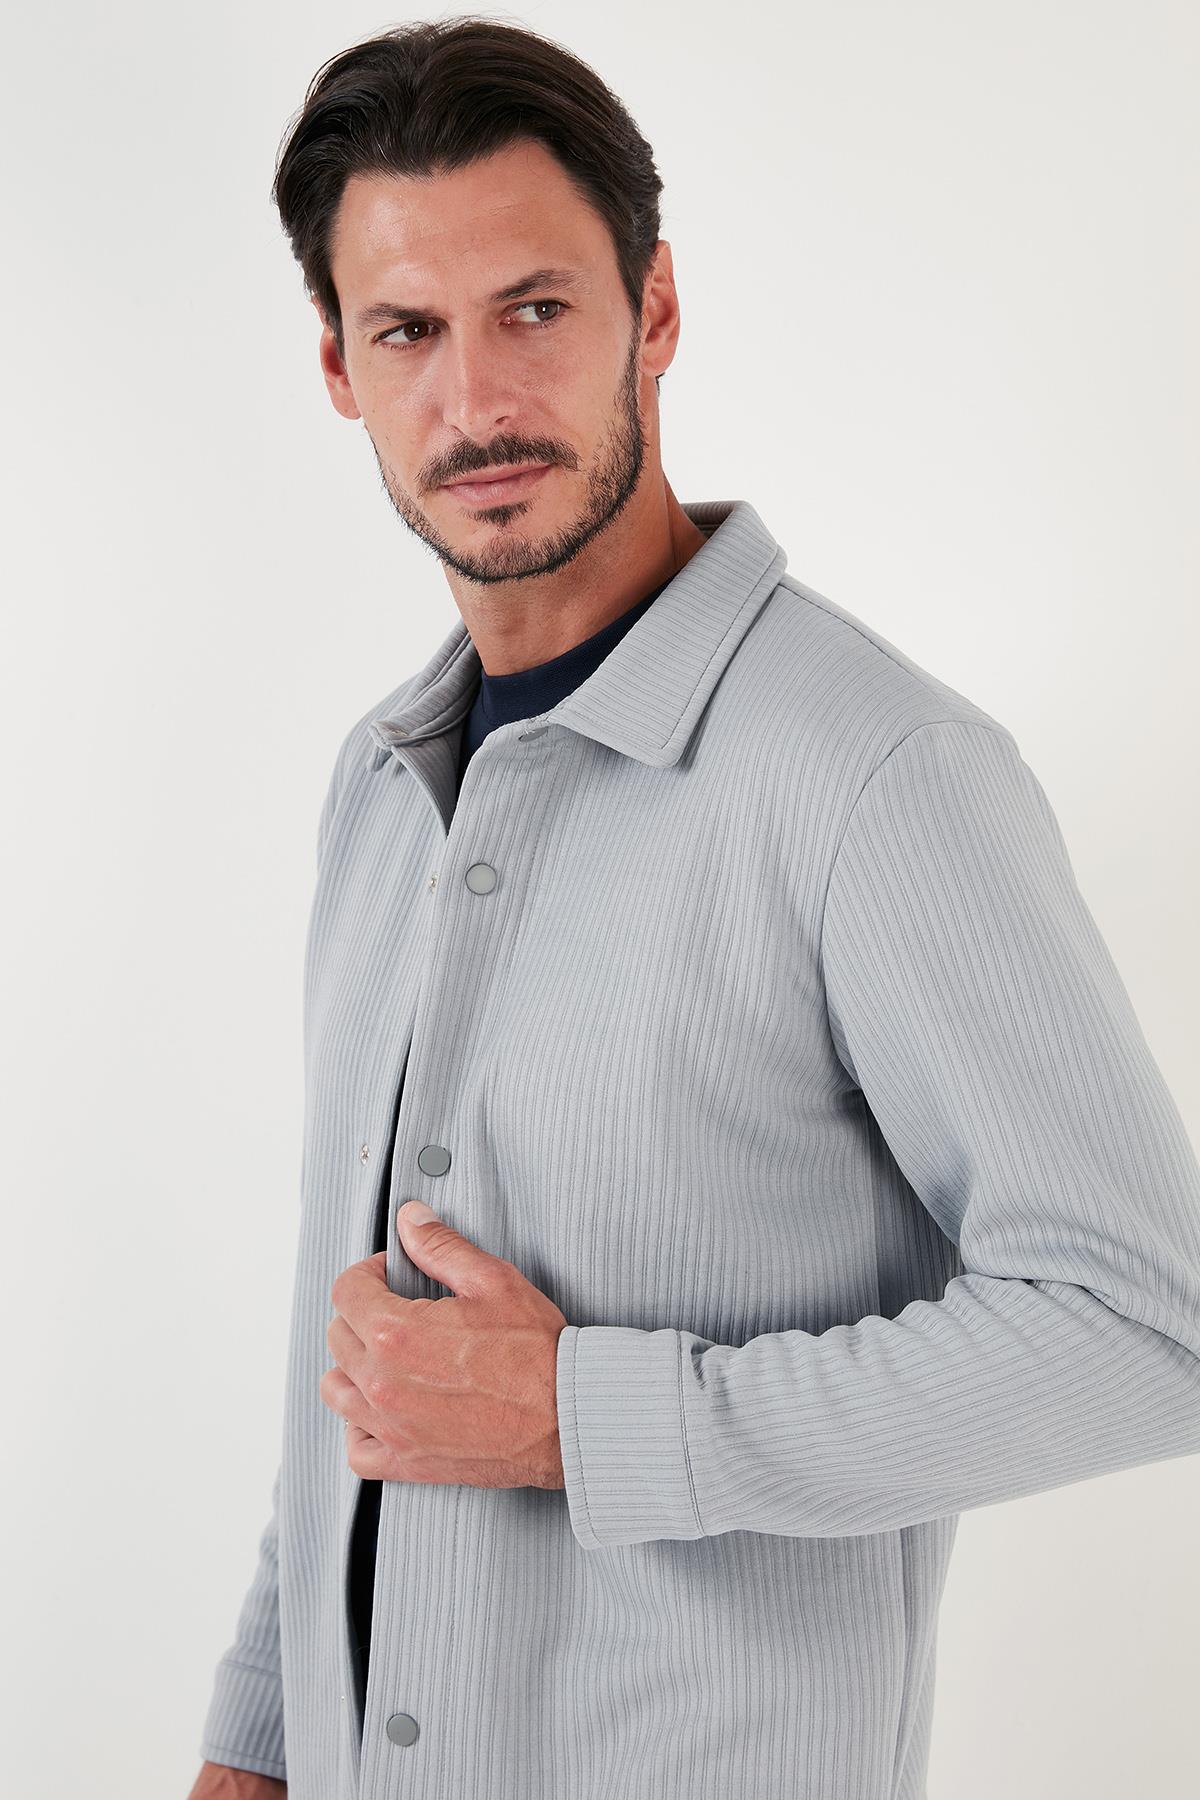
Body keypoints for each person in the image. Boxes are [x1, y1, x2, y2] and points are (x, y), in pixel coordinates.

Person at [187, 18, 1200, 1800]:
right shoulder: (377, 786)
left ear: (654, 310)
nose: (477, 404)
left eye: (536, 309)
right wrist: (258, 1737)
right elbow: (359, 1358)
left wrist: (592, 1420)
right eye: (410, 331)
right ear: (339, 366)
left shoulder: (879, 775)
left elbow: (1146, 1330)